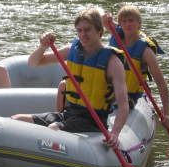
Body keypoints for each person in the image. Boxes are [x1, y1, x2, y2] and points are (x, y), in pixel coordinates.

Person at [11, 8, 129, 148]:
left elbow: (123, 105)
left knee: (54, 128)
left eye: (87, 30)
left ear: (99, 31)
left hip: (93, 120)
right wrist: (43, 46)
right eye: (79, 30)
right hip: (69, 114)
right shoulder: (71, 50)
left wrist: (114, 133)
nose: (82, 34)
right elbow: (33, 63)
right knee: (16, 120)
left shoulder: (112, 62)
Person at [103, 5, 169, 128]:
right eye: (124, 21)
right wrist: (106, 17)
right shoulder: (116, 34)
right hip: (109, 90)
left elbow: (161, 83)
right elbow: (105, 21)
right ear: (120, 24)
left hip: (129, 95)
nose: (128, 24)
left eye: (131, 20)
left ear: (139, 23)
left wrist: (166, 114)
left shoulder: (145, 51)